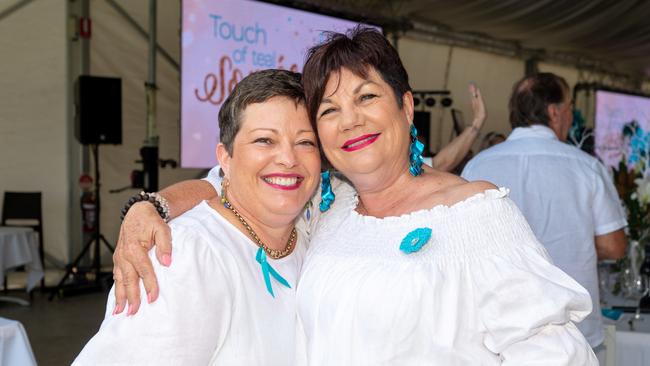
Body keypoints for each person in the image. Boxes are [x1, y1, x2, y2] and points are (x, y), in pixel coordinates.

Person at [114, 28, 598, 364]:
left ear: (406, 106)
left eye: (367, 97)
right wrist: (151, 205)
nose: (350, 121)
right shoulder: (330, 209)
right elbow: (238, 184)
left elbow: (556, 357)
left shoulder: (476, 214)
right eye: (329, 109)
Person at [73, 70, 321, 365]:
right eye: (265, 140)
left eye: (305, 142)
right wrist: (147, 205)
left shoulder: (311, 232)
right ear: (225, 159)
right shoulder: (184, 258)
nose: (288, 158)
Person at [462, 72, 627, 360]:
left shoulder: (477, 166)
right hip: (574, 332)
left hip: (497, 330)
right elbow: (614, 246)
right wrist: (573, 244)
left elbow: (462, 245)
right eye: (570, 108)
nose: (572, 117)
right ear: (554, 112)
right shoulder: (586, 167)